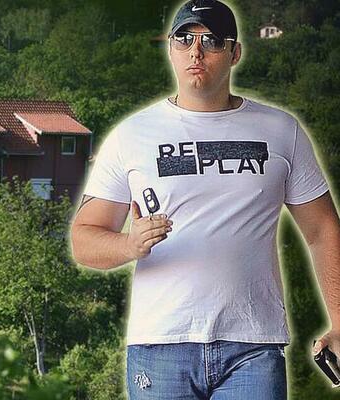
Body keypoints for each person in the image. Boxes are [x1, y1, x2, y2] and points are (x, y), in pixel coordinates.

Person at [69, 0, 340, 398]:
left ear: (235, 53)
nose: (196, 51)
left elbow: (322, 230)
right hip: (160, 344)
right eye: (184, 39)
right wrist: (129, 244)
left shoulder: (281, 131)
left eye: (211, 41)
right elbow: (83, 238)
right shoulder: (131, 136)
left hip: (253, 345)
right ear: (171, 49)